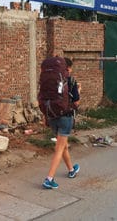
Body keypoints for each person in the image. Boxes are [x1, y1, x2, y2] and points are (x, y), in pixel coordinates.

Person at [42, 57, 80, 189]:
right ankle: (49, 178)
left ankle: (71, 170)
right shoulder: (71, 81)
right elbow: (76, 102)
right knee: (59, 148)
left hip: (52, 115)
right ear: (68, 68)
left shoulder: (51, 80)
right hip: (65, 117)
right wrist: (78, 91)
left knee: (63, 145)